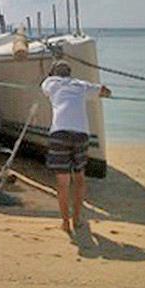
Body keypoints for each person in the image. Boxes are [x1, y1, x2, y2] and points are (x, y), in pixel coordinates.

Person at [41, 60, 111, 233]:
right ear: (69, 73)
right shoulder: (81, 85)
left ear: (54, 74)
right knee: (79, 178)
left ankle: (65, 223)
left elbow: (46, 90)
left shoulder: (51, 83)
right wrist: (102, 91)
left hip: (60, 133)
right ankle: (77, 219)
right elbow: (105, 91)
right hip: (81, 133)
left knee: (63, 182)